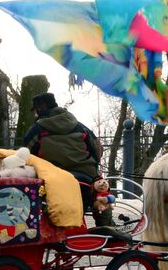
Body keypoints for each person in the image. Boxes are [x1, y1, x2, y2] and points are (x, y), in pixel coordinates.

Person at [22, 91, 108, 225]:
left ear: (40, 108)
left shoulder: (37, 130)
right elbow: (97, 149)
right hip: (85, 181)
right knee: (102, 191)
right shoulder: (79, 126)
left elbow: (25, 155)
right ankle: (106, 225)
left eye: (35, 110)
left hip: (54, 182)